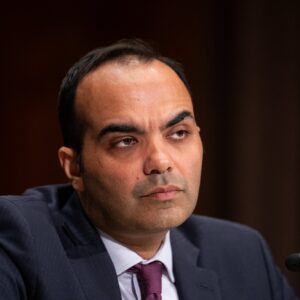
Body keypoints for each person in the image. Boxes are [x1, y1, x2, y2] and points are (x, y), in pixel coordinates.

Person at [0, 39, 298, 300]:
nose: (160, 161)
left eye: (179, 133)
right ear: (74, 167)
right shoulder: (21, 240)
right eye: (126, 141)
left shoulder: (241, 253)